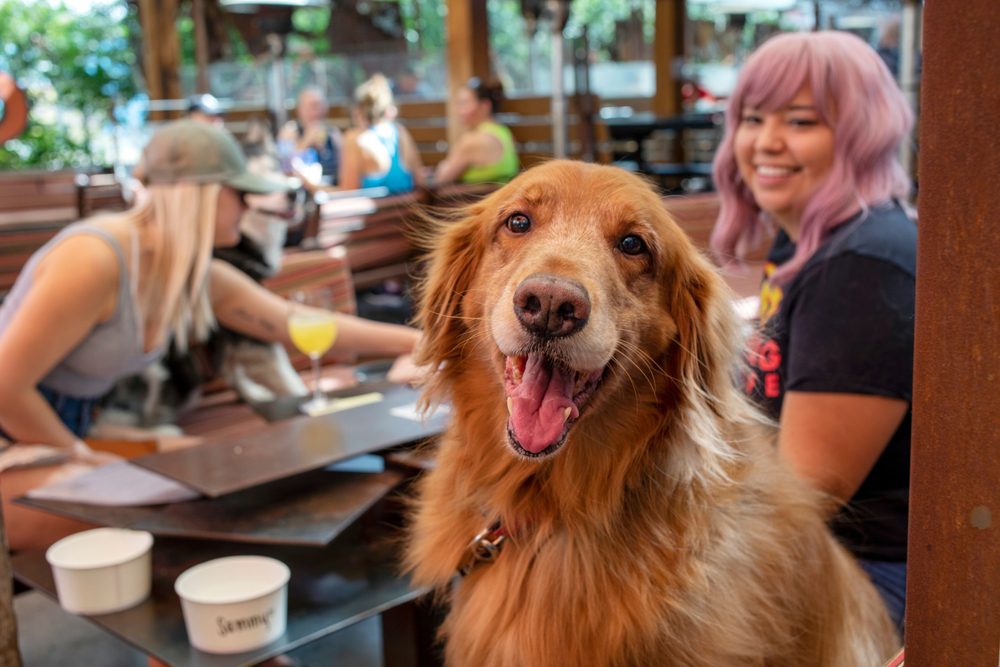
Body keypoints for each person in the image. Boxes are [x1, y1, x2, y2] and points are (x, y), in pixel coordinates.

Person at [0, 120, 421, 552]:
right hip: (17, 438)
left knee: (215, 481)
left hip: (61, 433)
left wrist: (420, 344)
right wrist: (82, 456)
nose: (248, 206)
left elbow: (295, 323)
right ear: (203, 194)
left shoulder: (187, 271)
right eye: (239, 193)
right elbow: (6, 389)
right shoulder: (94, 258)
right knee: (137, 526)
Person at [710, 31, 915, 635]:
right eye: (752, 118)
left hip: (868, 575)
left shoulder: (863, 264)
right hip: (811, 547)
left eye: (801, 121)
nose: (766, 142)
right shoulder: (806, 242)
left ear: (862, 132)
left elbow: (804, 495)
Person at [338, 73, 425, 194]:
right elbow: (419, 181)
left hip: (373, 211)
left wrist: (311, 185)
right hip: (407, 210)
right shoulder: (401, 132)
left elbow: (347, 193)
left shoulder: (355, 139)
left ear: (358, 110)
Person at [433, 76, 519, 185]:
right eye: (458, 104)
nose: (458, 110)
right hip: (503, 198)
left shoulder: (472, 140)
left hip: (480, 200)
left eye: (464, 103)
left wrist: (442, 166)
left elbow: (441, 179)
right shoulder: (504, 132)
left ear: (485, 106)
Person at [277, 86, 343, 189]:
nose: (316, 111)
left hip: (331, 188)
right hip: (303, 192)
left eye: (319, 106)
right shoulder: (289, 132)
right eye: (311, 106)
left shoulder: (333, 133)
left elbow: (344, 165)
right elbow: (285, 169)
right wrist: (305, 142)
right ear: (300, 110)